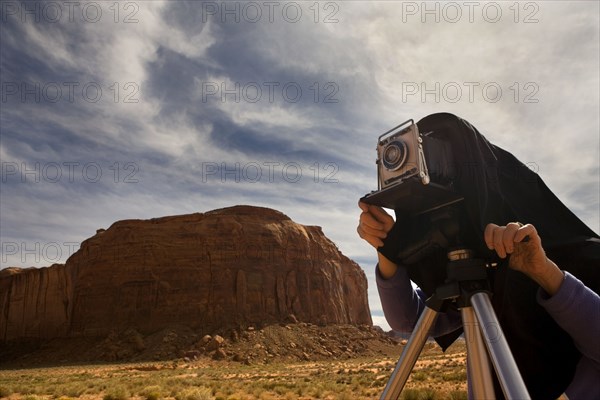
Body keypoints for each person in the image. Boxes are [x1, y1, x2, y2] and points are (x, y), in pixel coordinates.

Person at [356, 113, 600, 399]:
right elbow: (408, 320)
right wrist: (389, 249)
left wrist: (545, 273)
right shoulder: (482, 277)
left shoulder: (573, 255)